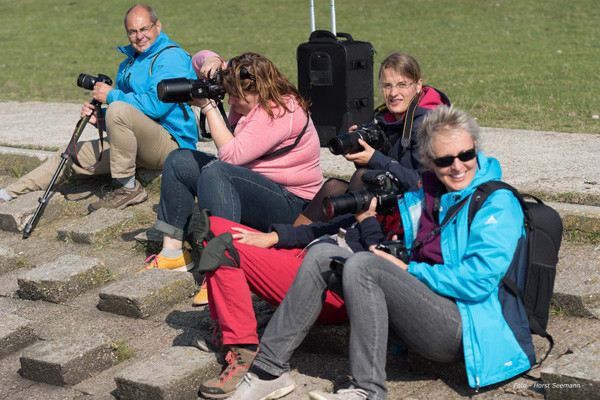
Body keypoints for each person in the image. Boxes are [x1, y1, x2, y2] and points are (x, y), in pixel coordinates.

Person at [226, 105, 536, 400]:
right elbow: (357, 230)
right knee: (323, 256)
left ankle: (367, 390)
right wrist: (284, 235)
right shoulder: (424, 196)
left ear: (477, 148)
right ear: (428, 160)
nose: (457, 166)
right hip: (422, 310)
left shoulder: (497, 203)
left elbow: (477, 281)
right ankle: (269, 370)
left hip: (466, 327)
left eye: (466, 154)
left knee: (364, 265)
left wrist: (408, 271)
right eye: (444, 160)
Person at [138, 51, 323, 304]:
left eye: (237, 95)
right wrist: (214, 61)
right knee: (179, 160)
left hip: (292, 206)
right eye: (229, 92)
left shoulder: (281, 110)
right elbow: (198, 59)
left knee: (218, 171)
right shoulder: (248, 85)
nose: (232, 100)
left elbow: (232, 156)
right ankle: (173, 253)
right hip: (256, 189)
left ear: (259, 90)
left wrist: (208, 106)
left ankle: (221, 267)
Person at [192, 181, 403, 398]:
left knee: (224, 248)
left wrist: (368, 222)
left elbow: (379, 261)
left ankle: (244, 349)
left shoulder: (416, 215)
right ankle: (226, 329)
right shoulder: (386, 203)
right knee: (212, 227)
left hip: (332, 284)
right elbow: (322, 228)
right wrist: (274, 237)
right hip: (302, 257)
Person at [0, 4, 198, 212]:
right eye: (132, 31)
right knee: (71, 154)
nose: (139, 36)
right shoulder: (128, 64)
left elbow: (156, 106)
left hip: (173, 144)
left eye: (144, 29)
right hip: (139, 144)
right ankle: (7, 194)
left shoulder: (170, 57)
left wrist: (111, 96)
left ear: (158, 26)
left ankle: (128, 188)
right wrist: (100, 117)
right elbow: (130, 116)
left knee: (117, 108)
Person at [294, 51, 450, 225]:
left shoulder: (428, 126)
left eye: (402, 85)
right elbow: (390, 166)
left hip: (417, 208)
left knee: (363, 176)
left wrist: (375, 159)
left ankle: (357, 237)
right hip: (391, 197)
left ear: (418, 85)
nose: (393, 93)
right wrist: (360, 150)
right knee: (333, 187)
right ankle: (290, 243)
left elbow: (423, 183)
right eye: (387, 86)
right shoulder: (389, 118)